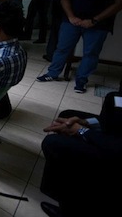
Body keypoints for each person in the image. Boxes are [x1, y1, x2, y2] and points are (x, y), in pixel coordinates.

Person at [36, 0, 122, 93]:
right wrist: (71, 16)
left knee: (91, 53)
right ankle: (52, 73)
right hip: (72, 20)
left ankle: (81, 81)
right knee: (62, 48)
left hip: (98, 24)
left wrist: (94, 20)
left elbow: (118, 3)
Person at [39, 86, 122, 217]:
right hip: (113, 131)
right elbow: (115, 115)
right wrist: (86, 123)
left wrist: (82, 131)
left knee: (53, 143)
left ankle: (72, 210)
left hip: (116, 151)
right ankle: (57, 191)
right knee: (66, 116)